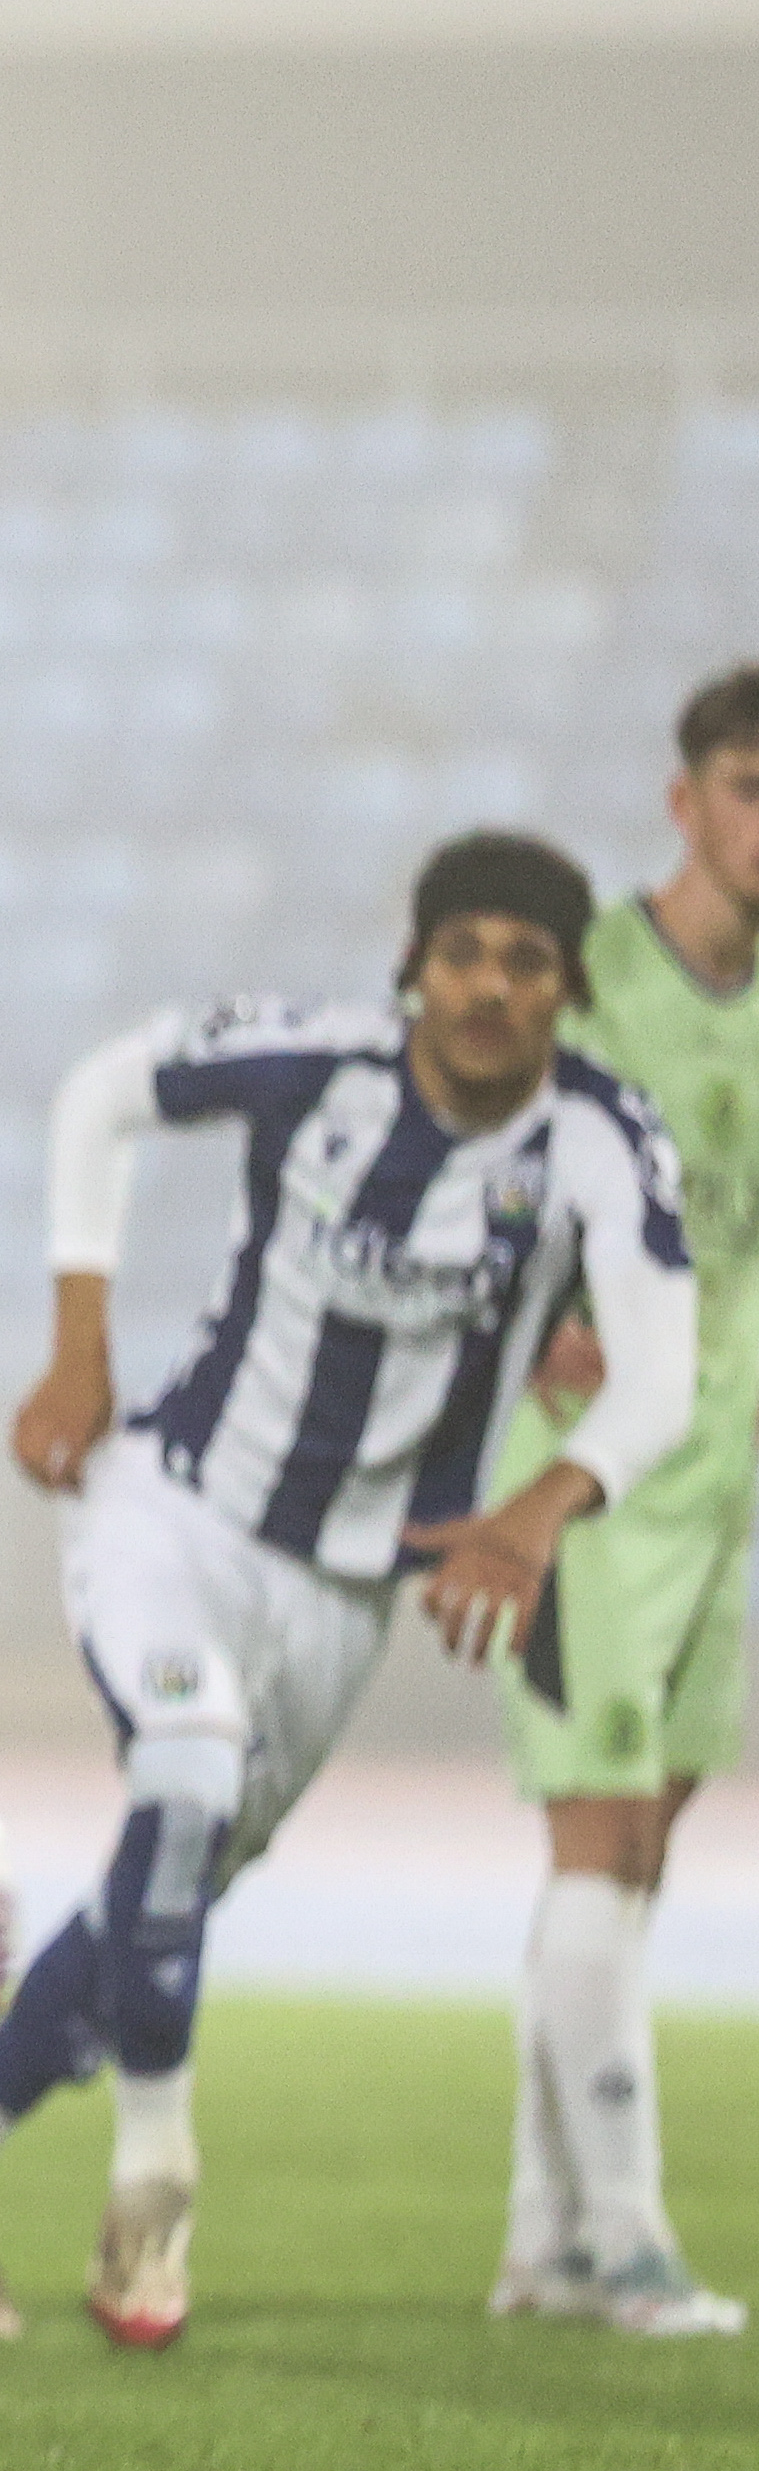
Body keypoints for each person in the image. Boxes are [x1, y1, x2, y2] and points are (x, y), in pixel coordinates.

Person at [0, 831, 698, 2348]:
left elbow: (661, 1380)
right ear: (415, 968)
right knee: (185, 1775)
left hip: (344, 1597)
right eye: (463, 952)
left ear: (566, 992)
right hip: (175, 1509)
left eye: (527, 962)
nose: (489, 986)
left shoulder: (602, 1141)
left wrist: (535, 1507)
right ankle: (155, 2186)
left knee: (168, 1886)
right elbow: (100, 1094)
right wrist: (77, 1338)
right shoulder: (310, 1061)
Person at [480, 671, 759, 2340]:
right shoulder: (585, 982)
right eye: (749, 782)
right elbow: (485, 1165)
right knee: (594, 1843)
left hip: (717, 1473)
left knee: (638, 1852)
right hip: (584, 1476)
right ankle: (633, 2239)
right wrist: (536, 1298)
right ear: (684, 801)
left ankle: (543, 2236)